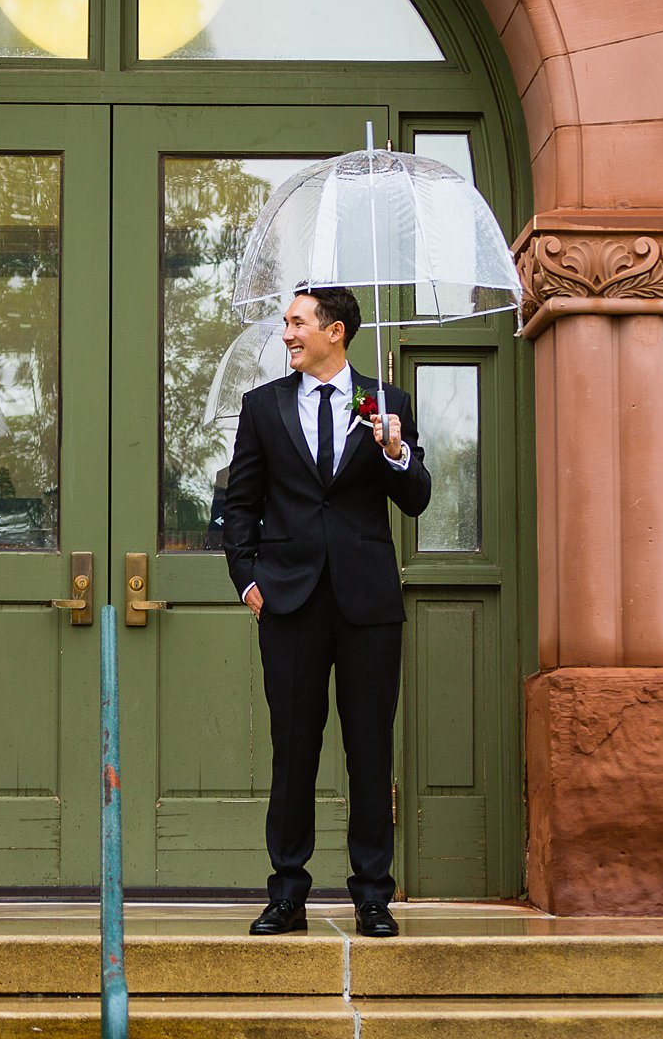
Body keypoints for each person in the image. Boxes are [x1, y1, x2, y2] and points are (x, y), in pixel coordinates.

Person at [222, 285, 431, 938]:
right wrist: (248, 581)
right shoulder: (264, 405)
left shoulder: (383, 403)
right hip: (288, 601)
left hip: (368, 603)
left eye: (297, 323)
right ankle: (287, 893)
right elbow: (240, 503)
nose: (286, 333)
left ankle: (374, 895)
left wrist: (394, 451)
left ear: (334, 332)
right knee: (294, 750)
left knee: (370, 752)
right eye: (287, 323)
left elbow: (418, 498)